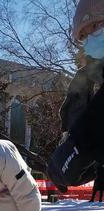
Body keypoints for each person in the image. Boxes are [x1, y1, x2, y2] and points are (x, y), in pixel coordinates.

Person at [47, 0, 104, 188]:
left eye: (96, 26)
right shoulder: (90, 77)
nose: (90, 39)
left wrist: (81, 142)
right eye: (84, 36)